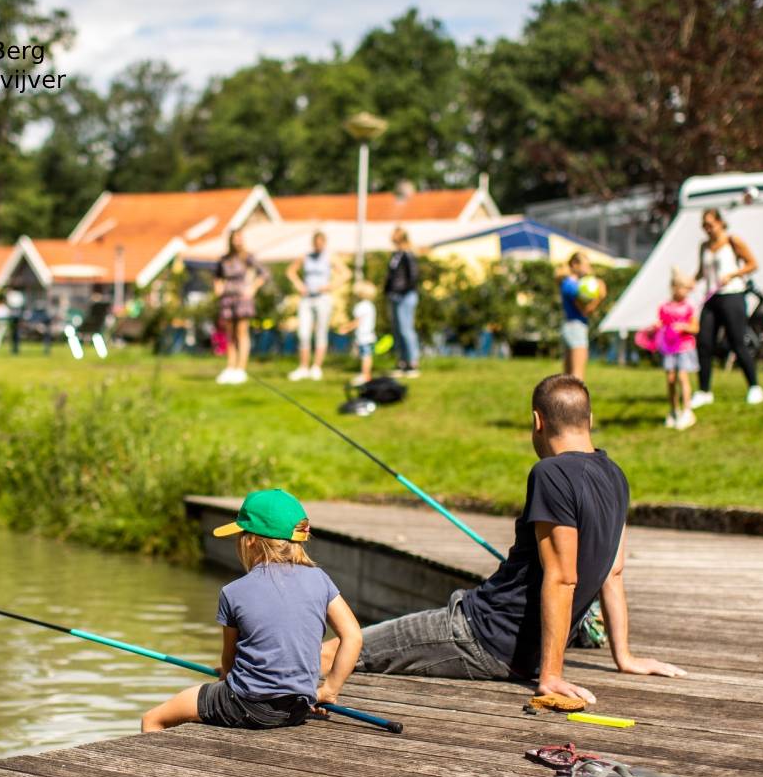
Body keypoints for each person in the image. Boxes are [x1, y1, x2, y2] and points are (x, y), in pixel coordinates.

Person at [321, 375, 685, 704]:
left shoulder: (551, 473)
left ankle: (268, 680)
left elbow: (562, 577)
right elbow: (614, 572)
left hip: (480, 634)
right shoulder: (616, 476)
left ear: (537, 421)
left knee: (339, 649)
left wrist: (551, 675)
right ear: (588, 421)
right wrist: (624, 657)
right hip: (512, 645)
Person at [142, 489, 362, 732]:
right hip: (298, 706)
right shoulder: (320, 579)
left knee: (153, 719)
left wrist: (227, 674)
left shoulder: (233, 592)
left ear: (251, 541)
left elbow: (229, 661)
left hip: (247, 705)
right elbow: (353, 636)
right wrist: (329, 690)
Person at [693, 208, 763, 407]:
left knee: (737, 342)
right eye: (704, 225)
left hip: (732, 295)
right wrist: (690, 282)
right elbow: (701, 271)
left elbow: (752, 264)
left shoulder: (733, 242)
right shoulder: (704, 246)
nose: (707, 229)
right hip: (711, 297)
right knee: (704, 343)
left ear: (720, 223)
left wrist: (733, 274)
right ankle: (704, 390)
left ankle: (754, 387)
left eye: (710, 224)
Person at [287, 232, 349, 381]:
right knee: (303, 333)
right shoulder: (306, 256)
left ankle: (316, 367)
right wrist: (299, 285)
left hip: (322, 298)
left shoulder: (330, 257)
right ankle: (303, 367)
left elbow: (346, 274)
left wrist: (330, 286)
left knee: (321, 332)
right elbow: (291, 271)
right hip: (307, 298)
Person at [214, 229, 268, 385]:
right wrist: (218, 288)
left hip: (242, 298)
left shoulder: (247, 257)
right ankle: (230, 367)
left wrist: (253, 288)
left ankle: (241, 368)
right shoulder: (223, 259)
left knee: (241, 333)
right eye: (235, 238)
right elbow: (217, 277)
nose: (237, 241)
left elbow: (264, 273)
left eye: (240, 238)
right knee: (230, 334)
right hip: (227, 298)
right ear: (230, 240)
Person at [657, 268, 701, 430]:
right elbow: (662, 325)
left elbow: (695, 328)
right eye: (681, 287)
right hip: (669, 348)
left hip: (684, 347)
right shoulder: (664, 307)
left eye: (686, 288)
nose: (684, 291)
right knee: (670, 379)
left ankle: (687, 411)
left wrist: (684, 326)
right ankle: (674, 410)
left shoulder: (689, 307)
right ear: (674, 287)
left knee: (683, 377)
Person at [558, 252, 605, 382]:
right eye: (585, 266)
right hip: (576, 328)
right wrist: (599, 297)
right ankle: (576, 402)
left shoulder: (567, 283)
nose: (588, 270)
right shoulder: (572, 286)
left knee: (568, 376)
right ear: (574, 264)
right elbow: (585, 310)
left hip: (569, 327)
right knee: (577, 376)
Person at [384, 227, 421, 378]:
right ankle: (402, 362)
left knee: (406, 329)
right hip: (394, 296)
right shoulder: (396, 255)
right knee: (398, 330)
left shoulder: (408, 255)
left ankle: (412, 362)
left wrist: (402, 291)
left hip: (405, 296)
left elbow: (413, 277)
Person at [342, 281, 379, 386]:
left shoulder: (361, 306)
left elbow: (358, 321)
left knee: (365, 356)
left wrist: (346, 328)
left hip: (364, 336)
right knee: (366, 356)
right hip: (369, 335)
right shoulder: (370, 305)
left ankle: (365, 375)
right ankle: (366, 374)